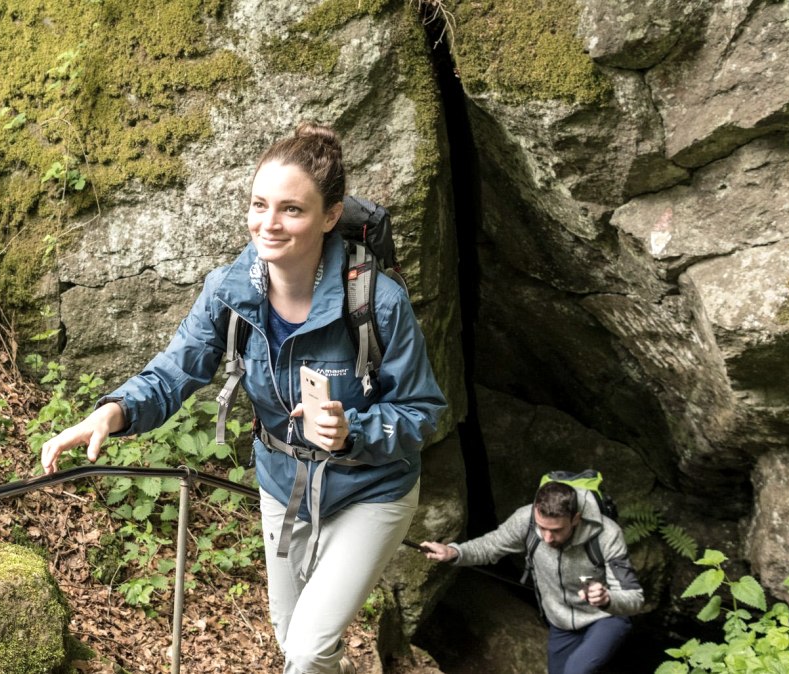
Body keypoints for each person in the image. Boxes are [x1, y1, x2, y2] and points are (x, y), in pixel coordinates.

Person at [41, 121, 446, 674]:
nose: (268, 223)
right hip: (283, 481)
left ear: (330, 216)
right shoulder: (230, 292)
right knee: (292, 637)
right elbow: (175, 369)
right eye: (259, 205)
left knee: (307, 650)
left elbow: (422, 411)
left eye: (291, 209)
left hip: (372, 487)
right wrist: (113, 413)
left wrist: (352, 430)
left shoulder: (377, 301)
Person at [418, 481, 643, 674]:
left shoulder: (607, 535)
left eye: (556, 530)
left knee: (575, 670)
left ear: (576, 519)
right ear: (536, 511)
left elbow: (634, 598)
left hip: (606, 616)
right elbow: (490, 546)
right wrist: (454, 552)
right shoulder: (526, 520)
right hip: (561, 621)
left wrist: (607, 599)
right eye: (542, 527)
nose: (547, 537)